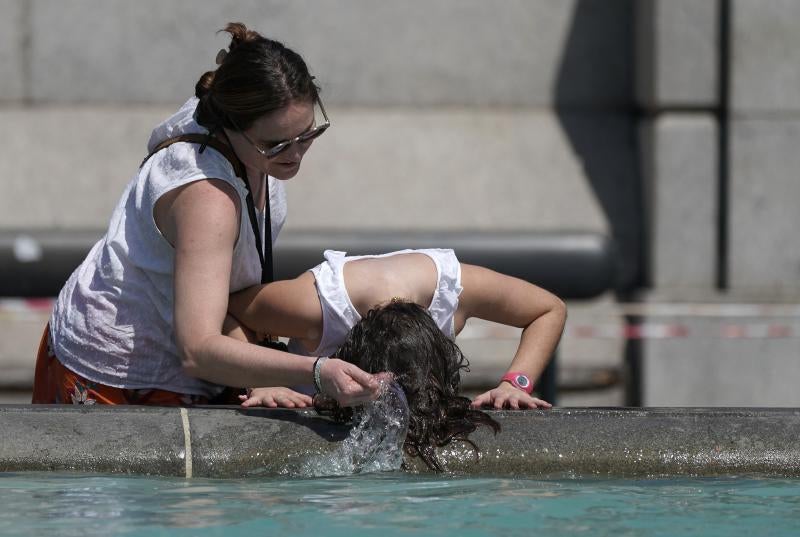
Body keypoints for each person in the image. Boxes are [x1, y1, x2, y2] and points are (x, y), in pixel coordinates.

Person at [31, 23, 380, 407]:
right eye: (276, 143)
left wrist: (263, 375)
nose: (295, 154)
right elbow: (198, 349)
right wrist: (315, 370)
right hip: (112, 370)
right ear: (232, 125)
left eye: (308, 134)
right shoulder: (208, 199)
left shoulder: (235, 130)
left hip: (185, 346)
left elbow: (223, 298)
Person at [226, 248, 567, 411]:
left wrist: (515, 383)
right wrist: (262, 380)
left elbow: (548, 309)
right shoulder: (312, 307)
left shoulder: (456, 290)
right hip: (304, 394)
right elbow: (225, 311)